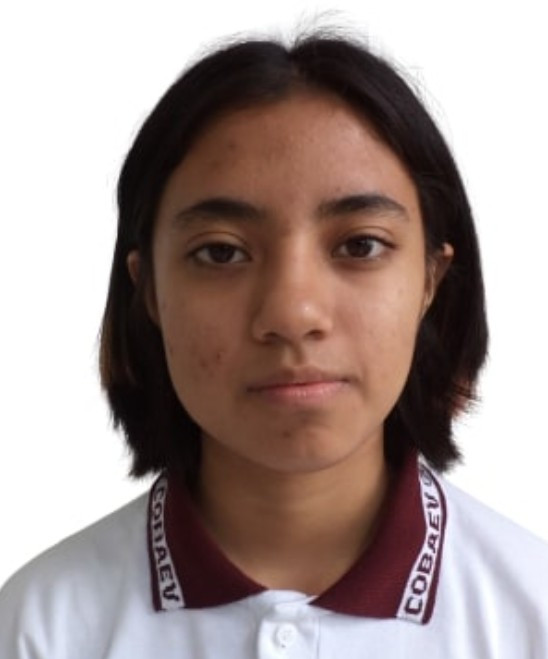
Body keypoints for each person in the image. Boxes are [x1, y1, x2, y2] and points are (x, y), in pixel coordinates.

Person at [1, 30, 547, 658]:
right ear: (147, 289)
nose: (292, 314)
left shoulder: (530, 616)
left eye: (360, 245)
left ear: (431, 279)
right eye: (221, 252)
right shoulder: (41, 628)